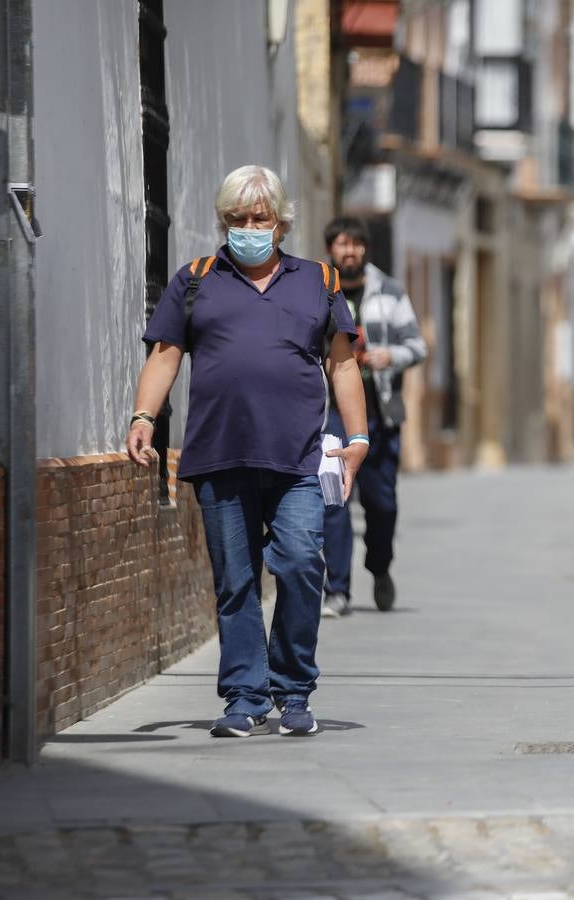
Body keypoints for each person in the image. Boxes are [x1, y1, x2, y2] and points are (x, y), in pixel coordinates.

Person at [127, 165, 368, 738]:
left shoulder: (320, 281)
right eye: (237, 218)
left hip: (299, 459)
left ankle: (294, 689)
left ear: (281, 223)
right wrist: (143, 415)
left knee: (303, 565)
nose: (248, 227)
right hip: (219, 456)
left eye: (259, 218)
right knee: (235, 581)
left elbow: (343, 363)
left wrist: (357, 440)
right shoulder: (196, 280)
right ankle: (243, 696)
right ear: (224, 221)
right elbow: (165, 355)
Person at [320, 216, 428, 617]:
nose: (349, 251)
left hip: (379, 413)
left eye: (356, 244)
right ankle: (338, 590)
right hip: (330, 413)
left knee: (383, 506)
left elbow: (417, 346)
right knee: (335, 496)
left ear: (365, 248)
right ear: (330, 248)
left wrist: (390, 357)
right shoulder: (318, 289)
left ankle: (380, 568)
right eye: (342, 244)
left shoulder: (389, 292)